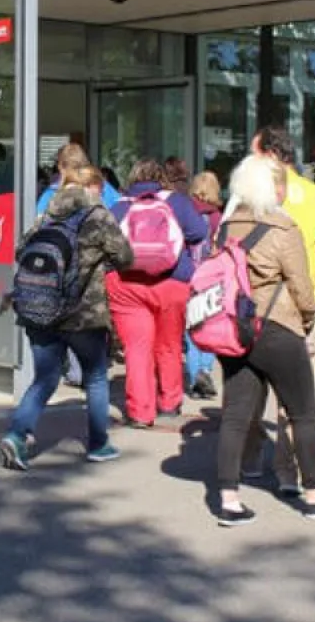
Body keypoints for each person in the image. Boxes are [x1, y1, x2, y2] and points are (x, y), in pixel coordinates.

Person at [211, 155, 315, 527]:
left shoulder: (226, 227)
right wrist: (308, 321)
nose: (283, 189)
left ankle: (228, 499)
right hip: (277, 327)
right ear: (269, 188)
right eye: (278, 183)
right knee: (301, 412)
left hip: (235, 329)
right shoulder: (282, 227)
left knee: (236, 416)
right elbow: (301, 286)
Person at [0, 165, 133, 471]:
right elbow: (126, 257)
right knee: (96, 377)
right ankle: (99, 445)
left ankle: (17, 435)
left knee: (45, 378)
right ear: (94, 188)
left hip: (40, 310)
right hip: (84, 314)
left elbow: (21, 251)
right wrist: (96, 264)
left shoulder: (47, 215)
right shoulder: (98, 217)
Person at [107, 159, 208, 427]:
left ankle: (140, 411)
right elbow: (199, 232)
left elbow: (104, 242)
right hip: (172, 282)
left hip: (127, 284)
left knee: (137, 348)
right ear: (162, 178)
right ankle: (169, 403)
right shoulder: (177, 202)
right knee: (169, 344)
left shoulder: (119, 205)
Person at [37, 143, 120, 388]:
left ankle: (77, 371)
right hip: (98, 264)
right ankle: (92, 367)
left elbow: (39, 226)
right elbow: (119, 215)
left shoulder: (52, 194)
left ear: (61, 167)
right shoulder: (101, 188)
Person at [184, 171, 223, 400]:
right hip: (211, 278)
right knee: (209, 324)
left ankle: (193, 376)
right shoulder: (217, 217)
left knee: (191, 328)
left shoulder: (188, 213)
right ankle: (205, 370)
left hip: (190, 276)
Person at [37, 143, 121, 213]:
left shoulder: (52, 193)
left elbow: (39, 223)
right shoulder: (101, 186)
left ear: (61, 168)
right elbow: (122, 213)